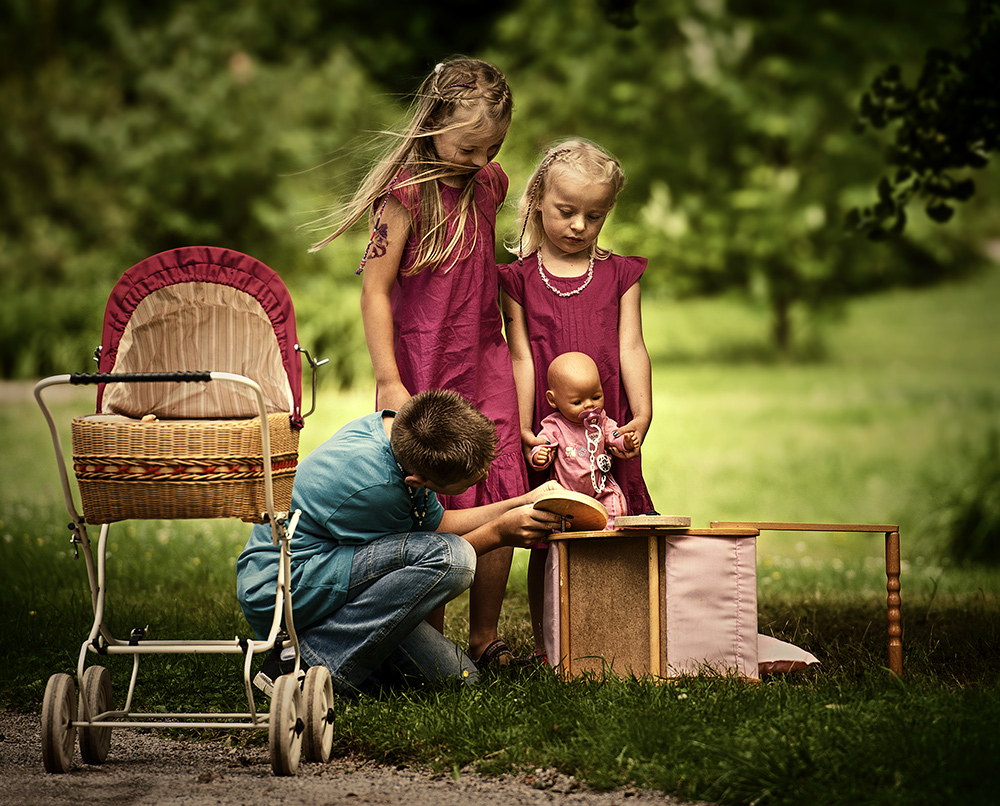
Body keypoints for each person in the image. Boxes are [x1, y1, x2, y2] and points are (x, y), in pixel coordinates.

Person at [309, 58, 527, 668]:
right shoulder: (403, 197)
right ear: (433, 122)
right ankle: (428, 636)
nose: (481, 160)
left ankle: (484, 639)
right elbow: (375, 291)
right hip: (422, 364)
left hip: (485, 361)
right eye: (469, 146)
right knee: (428, 494)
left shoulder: (491, 183)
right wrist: (387, 377)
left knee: (499, 477)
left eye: (494, 148)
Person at [236, 390, 563, 697]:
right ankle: (299, 661)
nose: (485, 477)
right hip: (285, 588)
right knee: (455, 560)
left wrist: (523, 500)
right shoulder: (375, 488)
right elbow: (430, 553)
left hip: (330, 572)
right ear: (418, 482)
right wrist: (500, 533)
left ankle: (346, 660)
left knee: (460, 678)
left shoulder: (400, 436)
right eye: (472, 481)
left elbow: (438, 524)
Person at [498, 138, 655, 660]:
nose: (579, 227)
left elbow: (631, 345)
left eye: (595, 215)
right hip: (551, 431)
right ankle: (553, 649)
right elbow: (521, 357)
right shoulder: (518, 280)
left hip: (603, 426)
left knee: (616, 521)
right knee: (550, 531)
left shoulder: (619, 274)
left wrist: (643, 414)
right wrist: (524, 427)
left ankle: (619, 637)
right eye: (566, 212)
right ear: (539, 197)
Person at [530, 352, 638, 525]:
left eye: (596, 397)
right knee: (558, 516)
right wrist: (540, 455)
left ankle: (606, 538)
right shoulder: (554, 425)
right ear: (553, 399)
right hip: (567, 491)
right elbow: (543, 443)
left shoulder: (601, 420)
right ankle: (565, 546)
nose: (589, 404)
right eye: (577, 402)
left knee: (616, 506)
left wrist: (625, 442)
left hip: (601, 488)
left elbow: (614, 435)